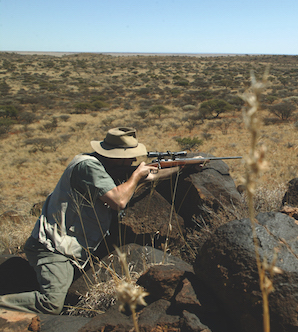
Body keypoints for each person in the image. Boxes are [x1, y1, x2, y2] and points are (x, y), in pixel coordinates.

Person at [0, 127, 179, 314]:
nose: (133, 160)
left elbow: (149, 175)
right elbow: (119, 201)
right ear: (116, 156)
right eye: (130, 156)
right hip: (54, 248)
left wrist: (180, 168)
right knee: (52, 304)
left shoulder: (101, 165)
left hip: (71, 249)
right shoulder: (88, 167)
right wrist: (136, 176)